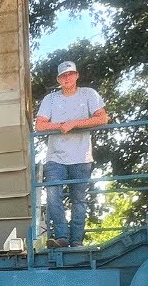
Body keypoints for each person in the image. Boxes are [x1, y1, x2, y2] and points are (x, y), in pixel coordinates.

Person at [34, 60, 110, 248]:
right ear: (59, 79)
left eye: (70, 74)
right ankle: (61, 237)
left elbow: (103, 118)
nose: (66, 78)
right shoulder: (50, 99)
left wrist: (74, 123)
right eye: (63, 76)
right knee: (53, 196)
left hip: (81, 156)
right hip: (55, 157)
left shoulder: (89, 94)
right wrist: (61, 126)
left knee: (79, 199)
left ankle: (76, 240)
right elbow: (40, 125)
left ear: (76, 75)